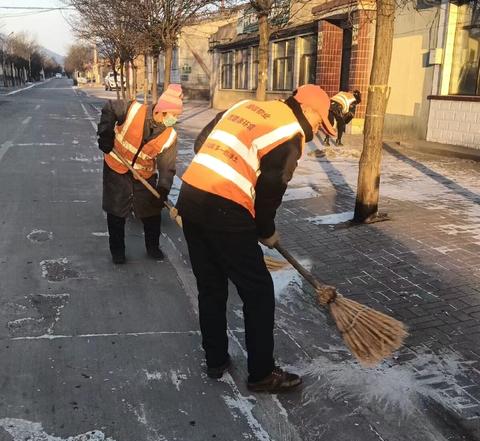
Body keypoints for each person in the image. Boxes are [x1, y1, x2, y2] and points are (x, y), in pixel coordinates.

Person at [175, 84, 337, 393]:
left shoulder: (246, 107)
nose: (318, 130)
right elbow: (271, 187)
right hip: (225, 208)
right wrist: (265, 230)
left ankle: (216, 360)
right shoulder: (290, 133)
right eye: (320, 123)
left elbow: (200, 143)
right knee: (259, 292)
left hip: (191, 196)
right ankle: (262, 373)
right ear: (310, 110)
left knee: (211, 286)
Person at [97, 84, 182, 264]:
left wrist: (163, 190)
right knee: (117, 212)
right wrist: (105, 134)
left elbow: (167, 166)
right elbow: (109, 108)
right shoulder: (133, 110)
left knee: (151, 212)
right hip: (117, 167)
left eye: (177, 116)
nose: (174, 119)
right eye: (172, 115)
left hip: (144, 175)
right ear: (161, 111)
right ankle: (117, 251)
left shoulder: (169, 135)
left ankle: (153, 247)